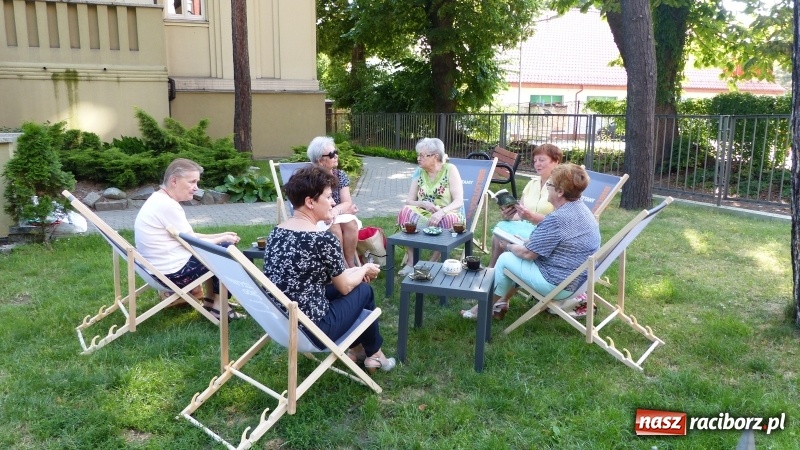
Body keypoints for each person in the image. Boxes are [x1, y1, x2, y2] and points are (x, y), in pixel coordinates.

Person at [263, 165, 395, 373]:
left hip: (282, 321)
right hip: (313, 328)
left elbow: (322, 278)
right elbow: (343, 288)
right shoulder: (322, 239)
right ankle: (375, 354)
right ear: (310, 202)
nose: (334, 202)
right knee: (364, 290)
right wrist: (364, 269)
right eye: (327, 197)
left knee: (357, 282)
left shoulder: (277, 233)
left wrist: (357, 272)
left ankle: (360, 350)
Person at [461, 164, 600, 320]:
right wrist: (525, 242)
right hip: (578, 281)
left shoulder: (558, 218)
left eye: (550, 184)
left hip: (558, 284)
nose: (547, 187)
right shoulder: (582, 210)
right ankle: (500, 302)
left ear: (560, 192)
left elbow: (528, 254)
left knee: (506, 259)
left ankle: (481, 309)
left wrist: (507, 246)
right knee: (516, 255)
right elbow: (554, 243)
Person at [135, 158, 246, 320]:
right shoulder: (169, 206)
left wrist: (219, 236)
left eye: (197, 182)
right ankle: (219, 307)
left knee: (221, 245)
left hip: (158, 270)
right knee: (226, 252)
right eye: (192, 182)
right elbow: (191, 243)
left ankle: (211, 301)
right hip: (173, 275)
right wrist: (223, 239)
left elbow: (186, 236)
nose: (196, 188)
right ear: (174, 181)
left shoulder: (158, 200)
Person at [396, 138, 465, 277]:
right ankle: (411, 261)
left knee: (449, 219)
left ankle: (431, 263)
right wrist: (423, 203)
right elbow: (409, 200)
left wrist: (441, 212)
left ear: (435, 157)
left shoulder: (450, 170)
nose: (418, 158)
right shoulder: (419, 172)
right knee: (405, 212)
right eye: (418, 155)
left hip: (447, 212)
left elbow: (458, 201)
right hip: (424, 212)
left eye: (422, 155)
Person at [489, 143, 562, 267]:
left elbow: (558, 221)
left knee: (501, 235)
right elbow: (520, 212)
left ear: (556, 162)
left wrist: (531, 216)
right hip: (525, 226)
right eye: (535, 161)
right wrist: (510, 215)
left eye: (542, 160)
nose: (537, 164)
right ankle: (495, 270)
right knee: (501, 230)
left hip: (544, 233)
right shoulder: (531, 184)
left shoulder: (559, 187)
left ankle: (496, 271)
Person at [307, 136, 362, 268]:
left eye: (336, 152)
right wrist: (331, 213)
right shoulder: (310, 178)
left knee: (351, 224)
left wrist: (335, 211)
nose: (336, 156)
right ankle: (340, 265)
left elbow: (347, 202)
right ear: (320, 160)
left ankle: (350, 263)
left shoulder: (340, 175)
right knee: (334, 227)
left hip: (337, 213)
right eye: (332, 154)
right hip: (318, 216)